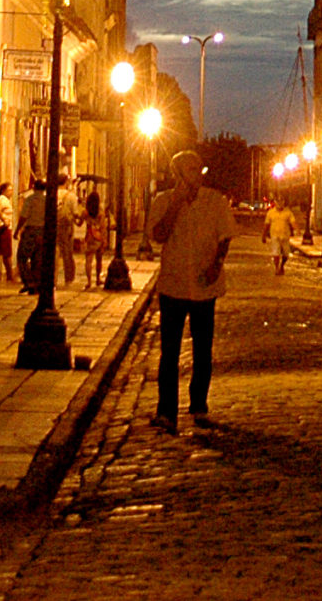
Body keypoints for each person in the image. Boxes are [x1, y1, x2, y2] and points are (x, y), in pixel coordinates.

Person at [146, 150, 233, 432]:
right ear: (178, 174)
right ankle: (166, 412)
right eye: (191, 170)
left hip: (205, 287)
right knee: (169, 351)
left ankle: (199, 406)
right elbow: (158, 236)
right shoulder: (162, 201)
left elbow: (224, 237)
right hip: (173, 284)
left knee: (202, 350)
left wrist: (216, 264)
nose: (197, 174)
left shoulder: (215, 201)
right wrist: (175, 204)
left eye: (198, 169)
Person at [16, 177, 50, 293]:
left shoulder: (30, 200)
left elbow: (24, 216)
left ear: (34, 187)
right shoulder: (47, 201)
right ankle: (36, 283)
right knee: (37, 259)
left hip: (31, 231)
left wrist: (17, 230)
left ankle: (29, 281)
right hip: (43, 231)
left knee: (22, 257)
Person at [82, 182, 106, 289]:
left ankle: (88, 281)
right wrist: (104, 239)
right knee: (99, 259)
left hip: (89, 236)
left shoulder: (85, 212)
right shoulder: (100, 212)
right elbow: (103, 227)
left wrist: (75, 218)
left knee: (88, 260)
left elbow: (79, 223)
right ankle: (97, 279)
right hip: (98, 237)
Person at [0, 184, 16, 279]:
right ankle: (10, 275)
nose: (11, 192)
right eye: (9, 190)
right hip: (3, 228)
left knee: (1, 251)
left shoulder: (5, 200)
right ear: (3, 191)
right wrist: (4, 218)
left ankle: (5, 273)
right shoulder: (2, 200)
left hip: (4, 227)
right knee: (6, 252)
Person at [266, 198, 295, 273]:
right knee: (276, 253)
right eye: (278, 202)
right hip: (274, 235)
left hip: (285, 236)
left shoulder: (288, 213)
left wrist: (296, 230)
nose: (279, 204)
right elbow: (267, 224)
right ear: (275, 203)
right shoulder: (270, 212)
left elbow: (292, 222)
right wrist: (264, 234)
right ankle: (277, 268)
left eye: (281, 202)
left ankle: (282, 265)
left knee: (286, 254)